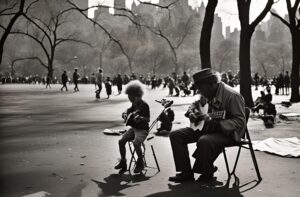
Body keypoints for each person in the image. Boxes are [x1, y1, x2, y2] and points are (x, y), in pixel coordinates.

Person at [169, 68, 246, 183]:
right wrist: (192, 112)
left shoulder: (232, 96)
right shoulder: (208, 92)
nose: (200, 92)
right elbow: (195, 104)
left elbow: (240, 121)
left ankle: (207, 172)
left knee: (204, 140)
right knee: (176, 135)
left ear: (212, 84)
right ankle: (186, 173)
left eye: (201, 89)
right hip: (208, 128)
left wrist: (218, 124)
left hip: (228, 133)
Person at [115, 80, 150, 174]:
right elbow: (128, 110)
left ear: (138, 95)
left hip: (143, 130)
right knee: (121, 141)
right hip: (134, 128)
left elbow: (148, 119)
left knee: (136, 143)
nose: (130, 100)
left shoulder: (145, 105)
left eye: (132, 97)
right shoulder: (134, 103)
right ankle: (123, 161)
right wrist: (124, 114)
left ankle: (141, 162)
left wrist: (141, 118)